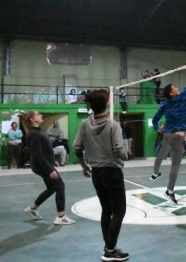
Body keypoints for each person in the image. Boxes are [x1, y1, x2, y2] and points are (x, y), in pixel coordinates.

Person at [73, 89, 129, 261]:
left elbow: (77, 147)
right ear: (107, 104)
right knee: (119, 211)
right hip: (112, 172)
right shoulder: (113, 125)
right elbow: (119, 150)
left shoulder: (84, 124)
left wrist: (84, 166)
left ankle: (108, 246)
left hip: (96, 173)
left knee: (106, 210)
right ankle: (110, 249)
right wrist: (126, 155)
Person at [150, 56, 186, 204]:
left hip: (167, 135)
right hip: (177, 137)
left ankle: (154, 173)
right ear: (172, 93)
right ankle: (170, 191)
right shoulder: (181, 97)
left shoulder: (164, 104)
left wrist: (156, 128)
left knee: (160, 156)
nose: (178, 89)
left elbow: (154, 119)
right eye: (175, 88)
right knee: (175, 165)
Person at [20, 111, 76, 225]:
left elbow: (44, 149)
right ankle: (60, 216)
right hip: (42, 166)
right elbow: (37, 154)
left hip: (45, 164)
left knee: (52, 188)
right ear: (32, 119)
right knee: (60, 186)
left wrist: (52, 160)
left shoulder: (37, 131)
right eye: (37, 114)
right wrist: (49, 169)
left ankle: (32, 209)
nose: (40, 115)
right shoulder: (33, 134)